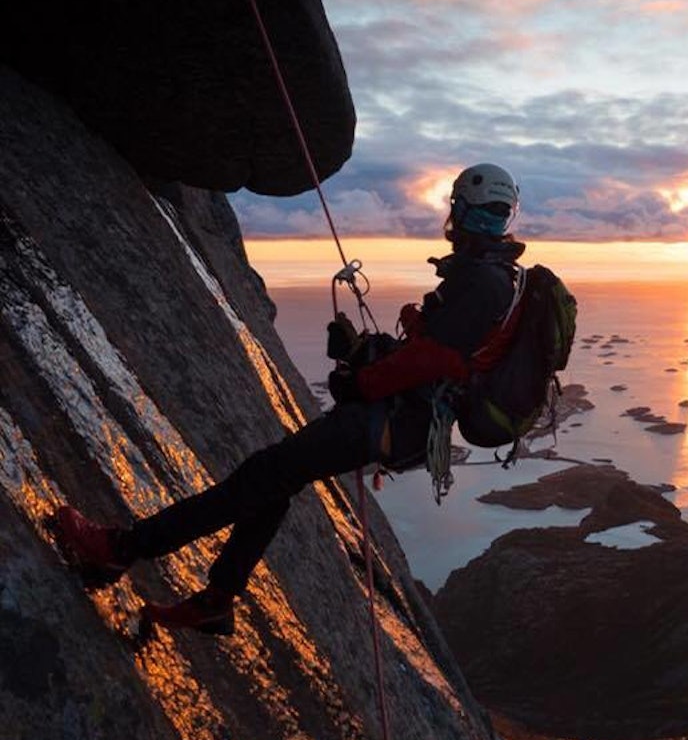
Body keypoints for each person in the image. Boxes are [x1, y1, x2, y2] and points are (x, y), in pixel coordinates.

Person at [52, 163, 525, 635]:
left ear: (461, 211)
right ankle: (216, 600)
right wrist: (364, 355)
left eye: (459, 210)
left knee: (264, 475)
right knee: (274, 478)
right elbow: (436, 356)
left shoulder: (485, 282)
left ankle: (121, 549)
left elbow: (430, 361)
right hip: (403, 420)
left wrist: (358, 382)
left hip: (394, 422)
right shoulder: (491, 277)